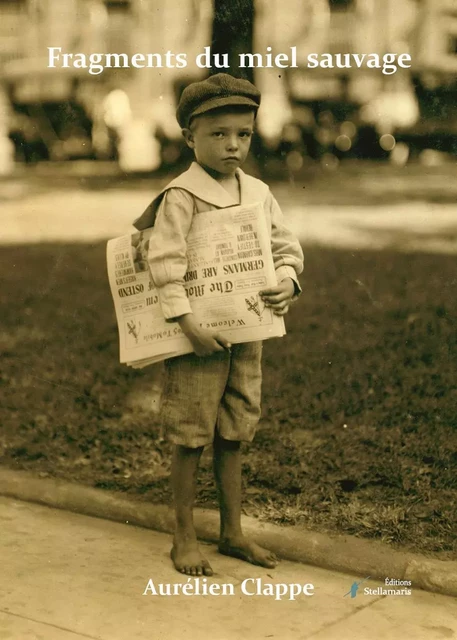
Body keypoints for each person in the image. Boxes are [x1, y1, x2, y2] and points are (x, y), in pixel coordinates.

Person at [133, 73, 304, 577]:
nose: (233, 145)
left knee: (235, 431)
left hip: (246, 334)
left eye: (243, 134)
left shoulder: (257, 191)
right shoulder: (182, 195)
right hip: (197, 339)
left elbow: (285, 248)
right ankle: (183, 536)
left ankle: (233, 533)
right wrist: (187, 324)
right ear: (189, 137)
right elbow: (164, 263)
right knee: (190, 435)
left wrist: (288, 280)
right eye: (218, 134)